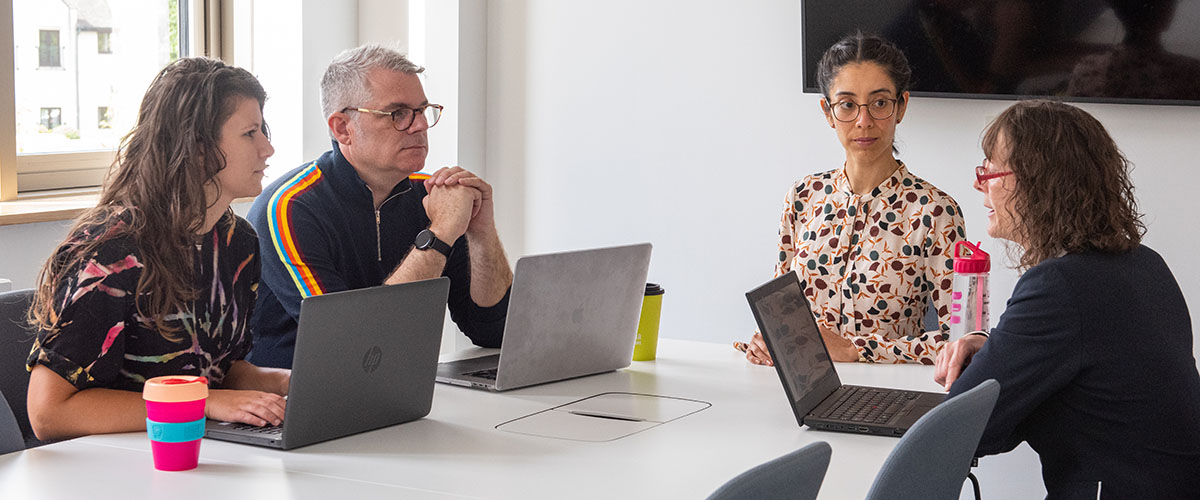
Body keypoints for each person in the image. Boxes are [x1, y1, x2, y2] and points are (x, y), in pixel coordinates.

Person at [936, 100, 1200, 498]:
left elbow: (960, 427)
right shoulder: (1143, 264)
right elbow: (1054, 387)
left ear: (1038, 184)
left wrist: (991, 363)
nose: (980, 183)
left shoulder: (1061, 286)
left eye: (991, 170)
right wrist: (995, 350)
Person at [25, 58, 290, 440]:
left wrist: (284, 383)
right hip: (109, 465)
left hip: (194, 450)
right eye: (250, 133)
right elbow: (49, 413)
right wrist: (204, 403)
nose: (268, 148)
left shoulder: (239, 243)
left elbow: (221, 368)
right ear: (198, 148)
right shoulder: (110, 253)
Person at [246, 44, 513, 369]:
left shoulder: (429, 194)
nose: (420, 126)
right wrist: (439, 234)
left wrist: (481, 233)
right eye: (398, 114)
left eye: (422, 110)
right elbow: (356, 342)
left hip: (401, 390)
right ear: (342, 128)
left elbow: (493, 332)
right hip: (295, 401)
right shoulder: (289, 209)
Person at [743, 33, 965, 366]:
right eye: (847, 104)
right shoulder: (803, 197)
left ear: (901, 106)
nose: (864, 121)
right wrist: (768, 343)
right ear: (828, 112)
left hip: (886, 394)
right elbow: (780, 316)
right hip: (803, 386)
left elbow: (959, 341)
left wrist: (856, 350)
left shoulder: (934, 212)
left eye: (879, 103)